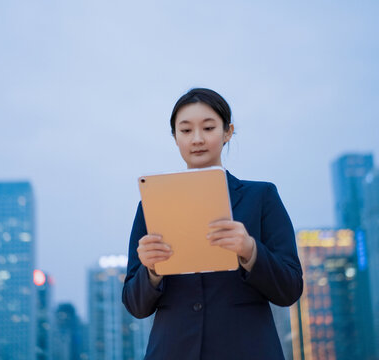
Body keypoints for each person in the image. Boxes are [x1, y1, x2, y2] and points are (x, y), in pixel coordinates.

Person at [122, 88, 303, 360]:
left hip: (246, 350)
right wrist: (151, 272)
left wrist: (250, 251)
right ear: (174, 137)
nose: (197, 139)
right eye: (185, 131)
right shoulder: (151, 205)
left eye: (208, 128)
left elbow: (289, 290)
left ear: (227, 132)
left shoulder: (261, 197)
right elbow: (135, 306)